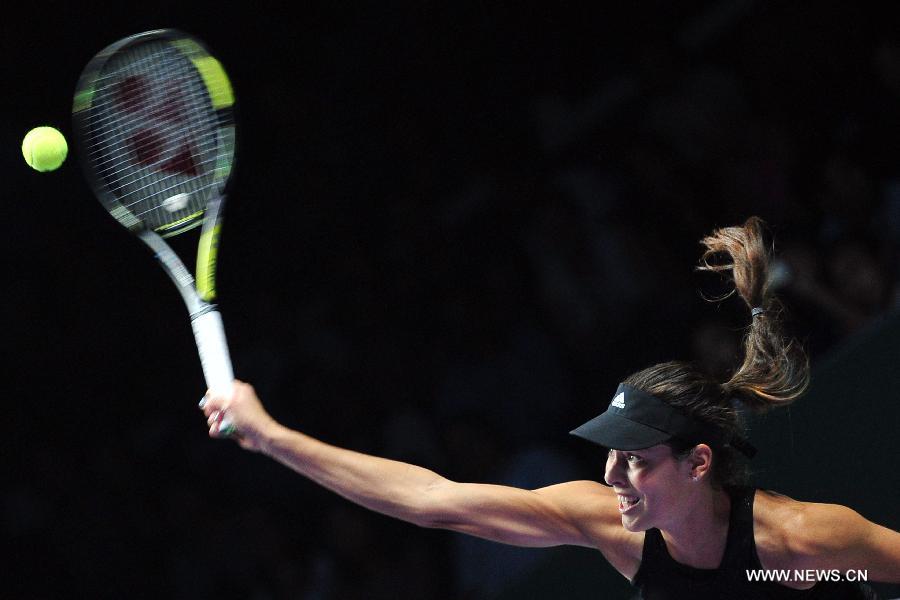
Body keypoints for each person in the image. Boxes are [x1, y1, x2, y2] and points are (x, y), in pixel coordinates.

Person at [199, 217, 900, 599]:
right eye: (611, 454)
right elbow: (433, 500)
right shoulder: (615, 529)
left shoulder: (802, 541)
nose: (612, 477)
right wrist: (272, 438)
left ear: (698, 463)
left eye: (635, 460)